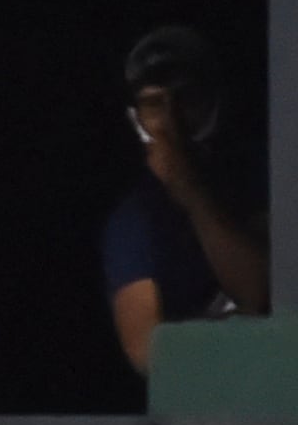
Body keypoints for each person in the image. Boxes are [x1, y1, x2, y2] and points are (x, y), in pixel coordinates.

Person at [101, 25, 269, 375]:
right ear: (135, 117)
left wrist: (191, 191)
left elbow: (261, 295)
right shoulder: (133, 220)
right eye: (154, 105)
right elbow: (146, 351)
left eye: (186, 100)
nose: (171, 122)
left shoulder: (262, 178)